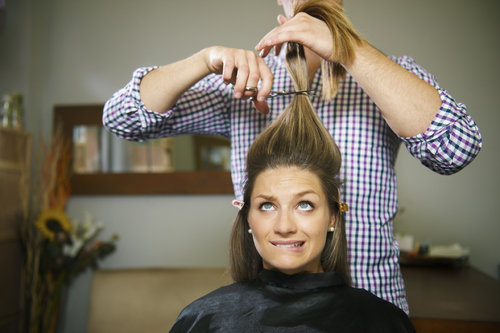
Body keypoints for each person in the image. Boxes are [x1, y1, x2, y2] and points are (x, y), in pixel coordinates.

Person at [102, 0, 482, 313]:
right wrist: (204, 60)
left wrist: (351, 51)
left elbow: (457, 148)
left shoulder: (386, 74)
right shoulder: (245, 80)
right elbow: (123, 120)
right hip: (263, 314)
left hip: (371, 310)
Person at [169, 38, 415, 332]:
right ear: (247, 217)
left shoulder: (383, 321)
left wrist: (346, 47)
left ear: (333, 217)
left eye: (305, 204)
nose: (284, 225)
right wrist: (205, 57)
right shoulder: (202, 319)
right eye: (267, 205)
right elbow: (124, 117)